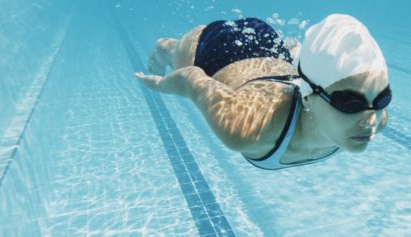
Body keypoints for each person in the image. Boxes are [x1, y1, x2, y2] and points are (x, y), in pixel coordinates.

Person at [134, 14, 391, 170]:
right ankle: (165, 48)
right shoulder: (247, 128)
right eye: (349, 103)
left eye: (382, 99)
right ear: (309, 95)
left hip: (272, 51)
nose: (371, 120)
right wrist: (160, 85)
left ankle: (295, 55)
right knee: (173, 52)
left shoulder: (377, 118)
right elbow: (192, 78)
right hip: (218, 52)